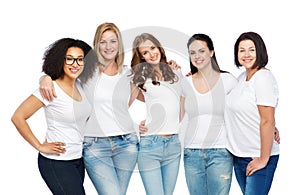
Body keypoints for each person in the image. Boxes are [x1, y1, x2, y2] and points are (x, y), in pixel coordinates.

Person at [39, 23, 139, 195]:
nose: (108, 46)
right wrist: (45, 77)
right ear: (96, 45)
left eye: (113, 41)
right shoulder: (87, 71)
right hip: (95, 144)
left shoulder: (128, 73)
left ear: (119, 44)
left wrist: (176, 70)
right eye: (103, 41)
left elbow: (127, 105)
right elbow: (61, 73)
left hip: (127, 143)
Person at [11, 38, 97, 194]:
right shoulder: (50, 89)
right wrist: (39, 145)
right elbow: (18, 117)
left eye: (80, 59)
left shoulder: (81, 86)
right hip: (56, 162)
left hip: (77, 159)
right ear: (60, 60)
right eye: (69, 59)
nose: (75, 64)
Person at [181, 33, 238, 195]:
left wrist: (272, 126)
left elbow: (245, 108)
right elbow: (175, 116)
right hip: (191, 152)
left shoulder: (228, 80)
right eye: (192, 53)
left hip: (220, 152)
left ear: (211, 52)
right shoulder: (186, 83)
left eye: (201, 51)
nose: (197, 56)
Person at [225, 31, 280, 195]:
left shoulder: (263, 78)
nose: (246, 54)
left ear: (260, 51)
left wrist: (263, 159)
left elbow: (267, 120)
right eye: (242, 50)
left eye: (251, 49)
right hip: (239, 155)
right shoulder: (242, 78)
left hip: (258, 156)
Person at [130, 33, 183, 195]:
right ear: (142, 57)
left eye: (153, 48)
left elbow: (181, 105)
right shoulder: (140, 78)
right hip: (151, 144)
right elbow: (121, 106)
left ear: (159, 48)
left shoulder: (175, 73)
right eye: (145, 52)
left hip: (174, 144)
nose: (151, 54)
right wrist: (135, 126)